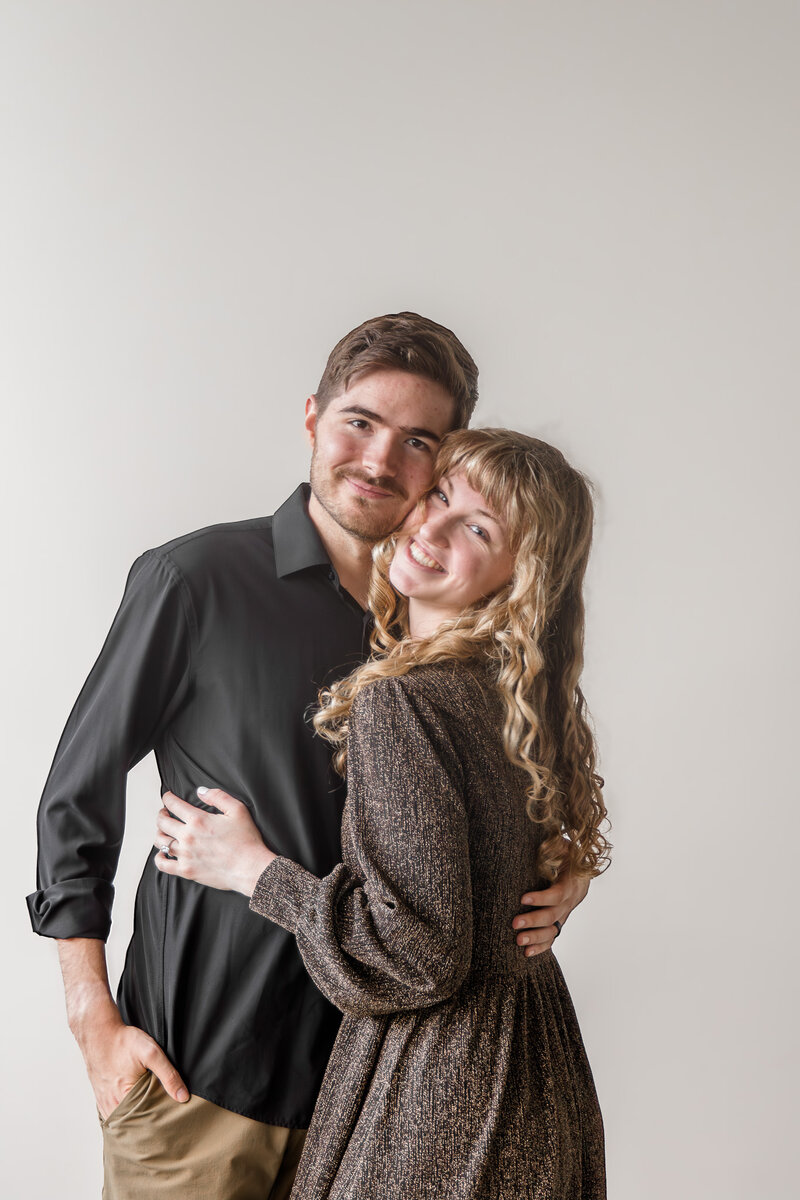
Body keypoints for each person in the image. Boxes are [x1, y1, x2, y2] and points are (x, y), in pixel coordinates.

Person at [27, 315, 590, 1199]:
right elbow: (74, 795)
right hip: (200, 1075)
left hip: (374, 1097)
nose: (379, 460)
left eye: (417, 442)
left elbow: (506, 793)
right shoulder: (195, 579)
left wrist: (564, 872)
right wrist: (89, 1015)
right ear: (312, 419)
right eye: (359, 423)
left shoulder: (441, 625)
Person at [153, 427, 610, 1199]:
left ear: (516, 577)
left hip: (449, 1095)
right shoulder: (520, 700)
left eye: (476, 527)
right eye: (438, 496)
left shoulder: (404, 702)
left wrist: (255, 871)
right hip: (540, 1074)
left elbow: (417, 954)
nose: (429, 528)